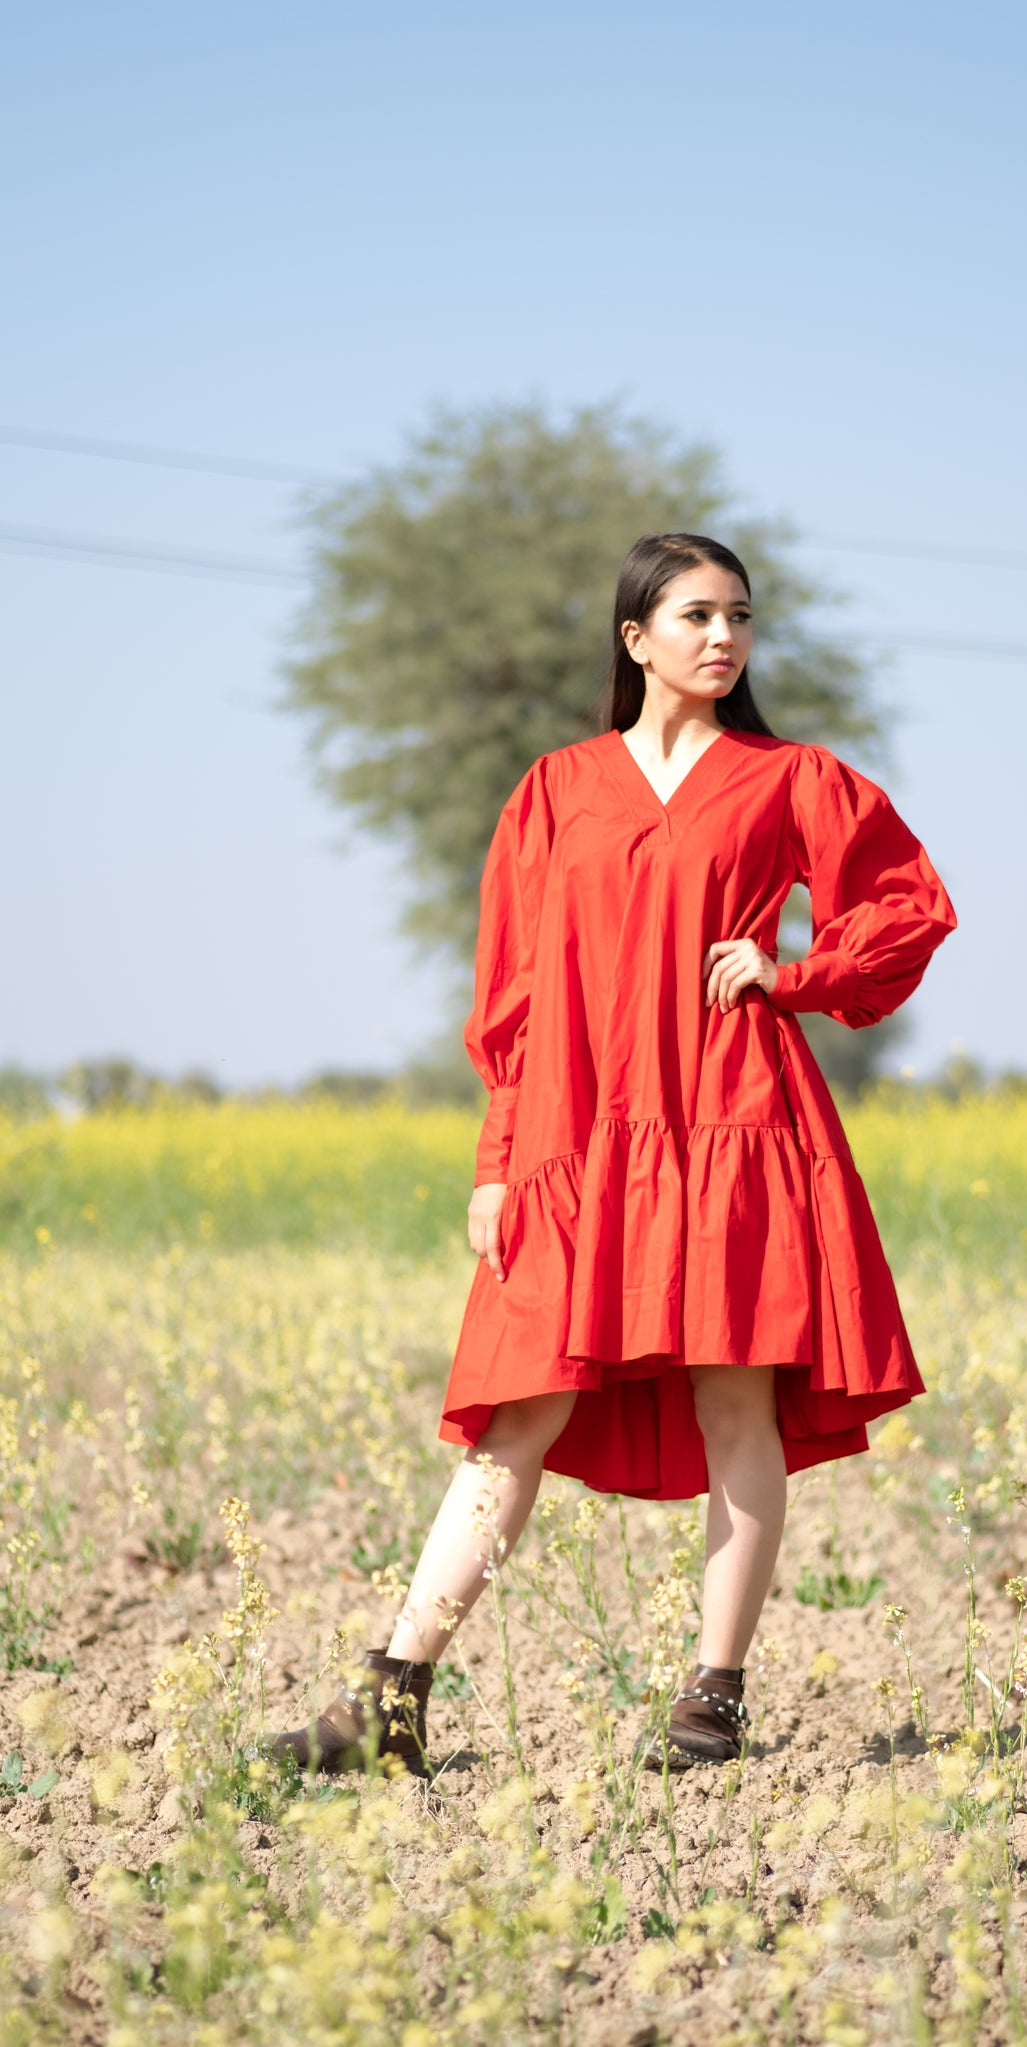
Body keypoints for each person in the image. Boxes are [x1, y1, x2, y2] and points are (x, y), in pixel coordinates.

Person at [269, 532, 956, 1778]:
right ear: (635, 638)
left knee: (734, 1399)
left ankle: (713, 1699)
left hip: (735, 1120)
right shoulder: (553, 790)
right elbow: (517, 995)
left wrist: (790, 973)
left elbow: (907, 905)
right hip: (574, 1136)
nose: (723, 637)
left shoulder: (790, 777)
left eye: (739, 616)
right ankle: (393, 1697)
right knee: (513, 1409)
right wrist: (495, 1158)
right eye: (695, 614)